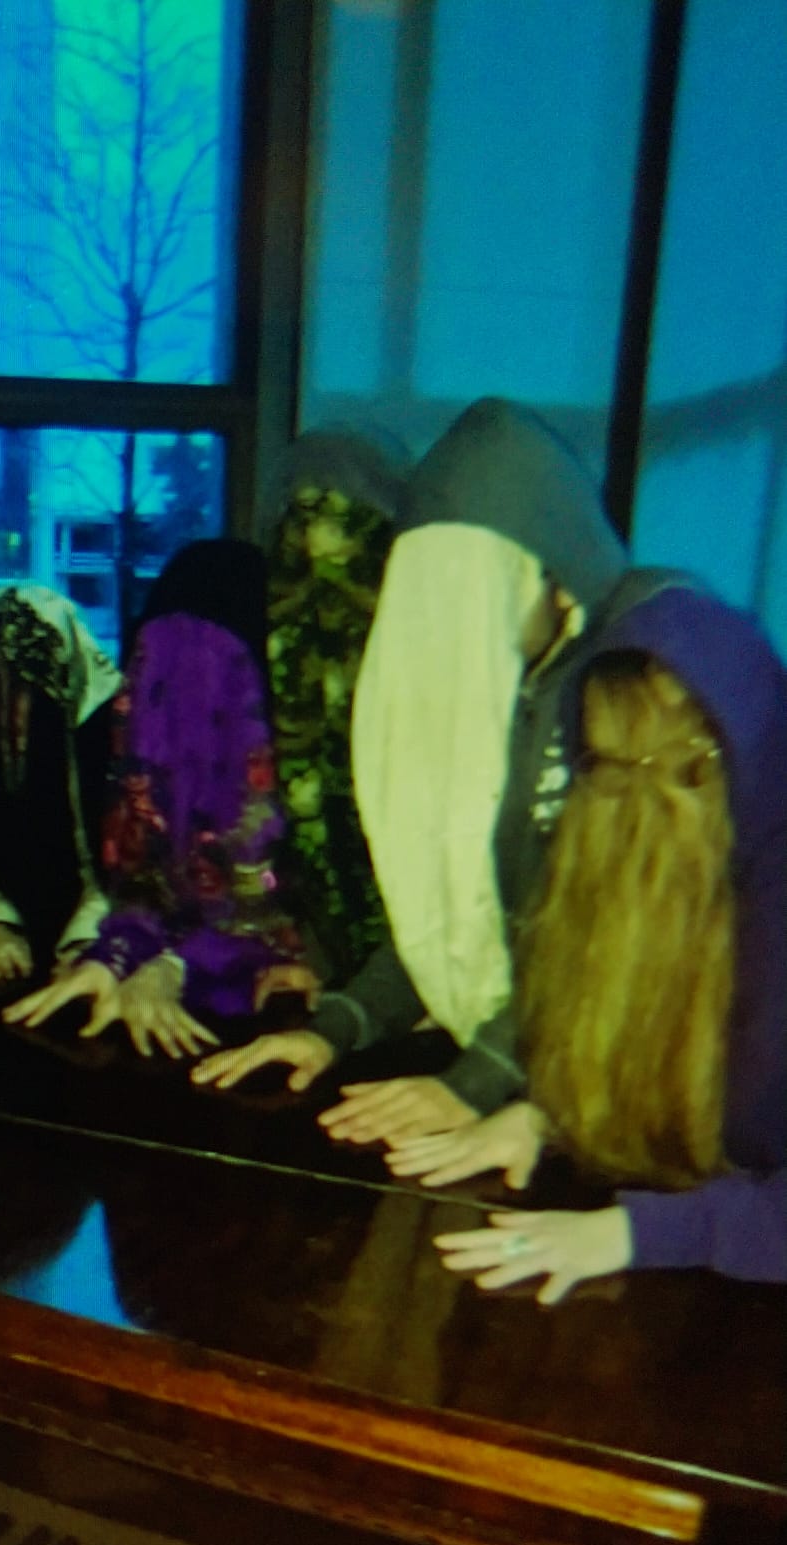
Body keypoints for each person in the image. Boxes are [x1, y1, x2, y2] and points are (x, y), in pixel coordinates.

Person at [195, 397, 685, 1125]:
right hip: (539, 1066)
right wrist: (335, 1028)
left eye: (476, 584)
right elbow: (443, 916)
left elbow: (618, 943)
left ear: (557, 570)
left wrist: (478, 1080)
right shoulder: (493, 685)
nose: (449, 614)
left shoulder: (644, 680)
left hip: (653, 1083)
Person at [382, 589, 785, 1294]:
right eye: (609, 767)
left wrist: (641, 1233)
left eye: (685, 765)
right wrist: (547, 1119)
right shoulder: (616, 875)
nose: (641, 806)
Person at [5, 539, 314, 1059]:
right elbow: (143, 884)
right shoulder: (124, 751)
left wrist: (178, 965)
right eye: (158, 673)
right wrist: (114, 957)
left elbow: (285, 916)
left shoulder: (310, 774)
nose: (177, 712)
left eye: (213, 672)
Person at [261, 429, 406, 979]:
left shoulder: (399, 606)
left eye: (334, 517)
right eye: (305, 516)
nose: (316, 535)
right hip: (308, 798)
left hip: (385, 793)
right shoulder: (284, 601)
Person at [0, 583, 120, 982]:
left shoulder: (101, 749)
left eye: (24, 690)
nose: (7, 712)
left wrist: (88, 946)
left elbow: (112, 874)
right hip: (6, 971)